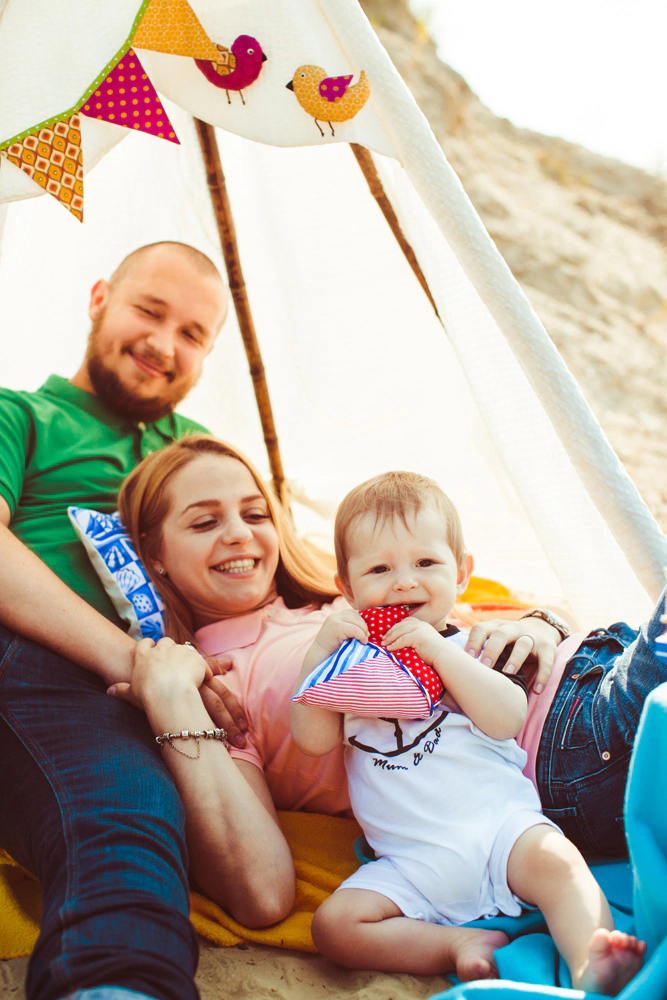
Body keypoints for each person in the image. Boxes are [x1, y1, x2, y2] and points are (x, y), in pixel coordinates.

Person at [111, 434, 591, 982]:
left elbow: (490, 612)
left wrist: (542, 623)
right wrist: (174, 699)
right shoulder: (216, 684)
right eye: (204, 523)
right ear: (154, 556)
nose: (240, 534)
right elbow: (261, 884)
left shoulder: (357, 590)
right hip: (547, 767)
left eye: (256, 513)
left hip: (565, 692)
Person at [290, 471, 645, 994]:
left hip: (502, 830)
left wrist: (436, 652)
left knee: (560, 867)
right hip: (412, 860)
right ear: (347, 588)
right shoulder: (350, 672)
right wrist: (319, 654)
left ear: (461, 572)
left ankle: (595, 959)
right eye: (380, 569)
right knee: (334, 926)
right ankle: (457, 946)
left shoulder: (470, 649)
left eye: (425, 563)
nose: (405, 581)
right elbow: (312, 739)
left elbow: (507, 717)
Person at [0, 242, 236, 1000]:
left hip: (153, 690)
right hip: (39, 655)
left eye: (194, 334)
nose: (164, 345)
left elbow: (277, 566)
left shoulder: (195, 451)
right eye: (149, 310)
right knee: (121, 820)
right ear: (100, 296)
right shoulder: (22, 416)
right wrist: (127, 660)